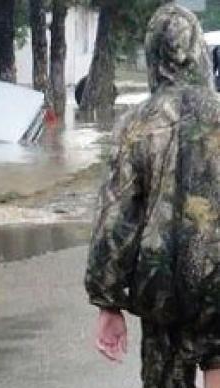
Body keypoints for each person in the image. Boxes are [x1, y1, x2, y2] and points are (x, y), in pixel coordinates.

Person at [85, 4, 220, 388]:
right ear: (199, 54)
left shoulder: (136, 125)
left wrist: (107, 300)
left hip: (161, 286)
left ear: (152, 56)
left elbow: (116, 218)